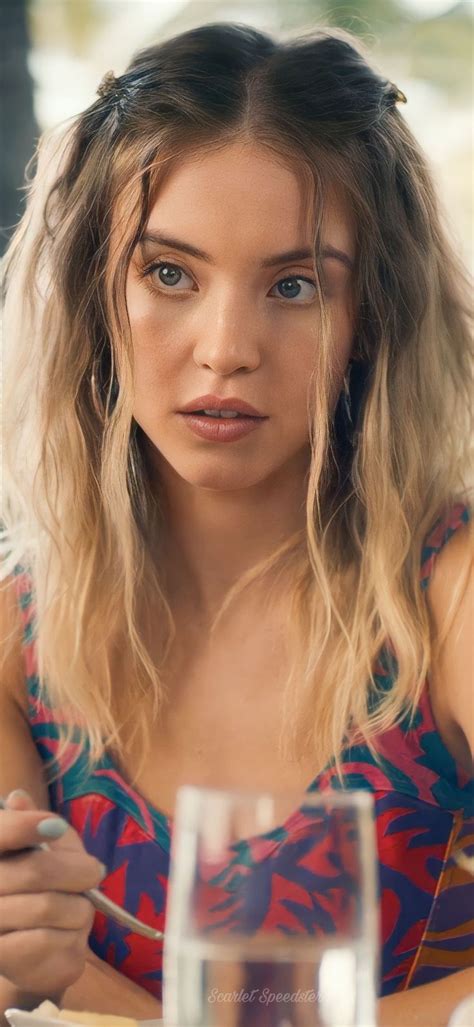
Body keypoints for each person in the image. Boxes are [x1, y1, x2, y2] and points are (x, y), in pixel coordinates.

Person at [0, 20, 472, 1026]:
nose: (227, 350)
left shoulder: (456, 599)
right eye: (168, 272)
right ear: (96, 290)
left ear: (375, 316)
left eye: (295, 287)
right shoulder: (13, 646)